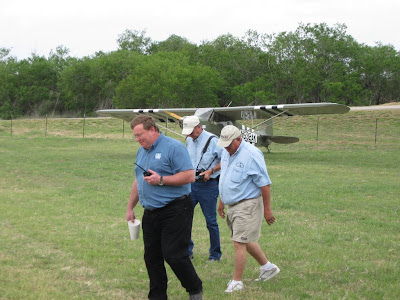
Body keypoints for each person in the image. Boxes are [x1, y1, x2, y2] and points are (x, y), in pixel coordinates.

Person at [126, 115, 203, 300]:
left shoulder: (174, 147)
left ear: (152, 129)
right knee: (151, 257)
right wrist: (130, 207)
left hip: (176, 209)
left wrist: (161, 180)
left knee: (174, 254)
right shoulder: (141, 151)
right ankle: (157, 296)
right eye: (135, 136)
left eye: (140, 135)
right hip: (150, 212)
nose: (137, 139)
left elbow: (189, 176)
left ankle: (195, 289)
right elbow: (138, 181)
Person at [216, 125, 280, 293]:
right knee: (245, 239)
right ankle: (267, 267)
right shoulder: (226, 151)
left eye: (229, 144)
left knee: (239, 242)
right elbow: (226, 176)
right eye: (224, 145)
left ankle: (237, 282)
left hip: (248, 204)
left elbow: (265, 184)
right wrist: (222, 200)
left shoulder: (252, 154)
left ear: (239, 139)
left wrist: (267, 210)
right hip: (232, 204)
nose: (227, 148)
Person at [182, 115, 223, 262]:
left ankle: (215, 255)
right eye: (187, 132)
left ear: (199, 127)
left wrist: (210, 171)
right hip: (190, 184)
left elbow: (226, 160)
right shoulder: (188, 140)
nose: (189, 135)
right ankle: (187, 251)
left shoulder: (214, 140)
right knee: (184, 218)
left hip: (209, 186)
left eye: (191, 131)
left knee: (211, 221)